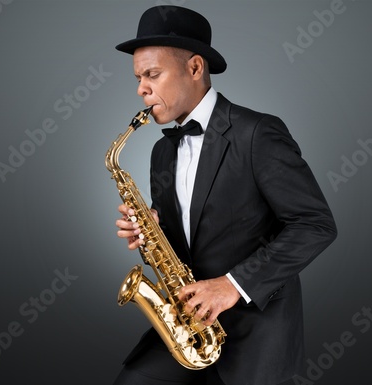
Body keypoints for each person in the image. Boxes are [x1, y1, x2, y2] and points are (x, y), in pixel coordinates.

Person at [112, 6, 337, 385]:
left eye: (152, 74)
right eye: (138, 77)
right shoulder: (161, 152)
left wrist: (233, 284)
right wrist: (152, 234)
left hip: (257, 331)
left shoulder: (258, 133)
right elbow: (189, 242)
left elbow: (315, 225)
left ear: (195, 67)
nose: (141, 89)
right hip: (188, 328)